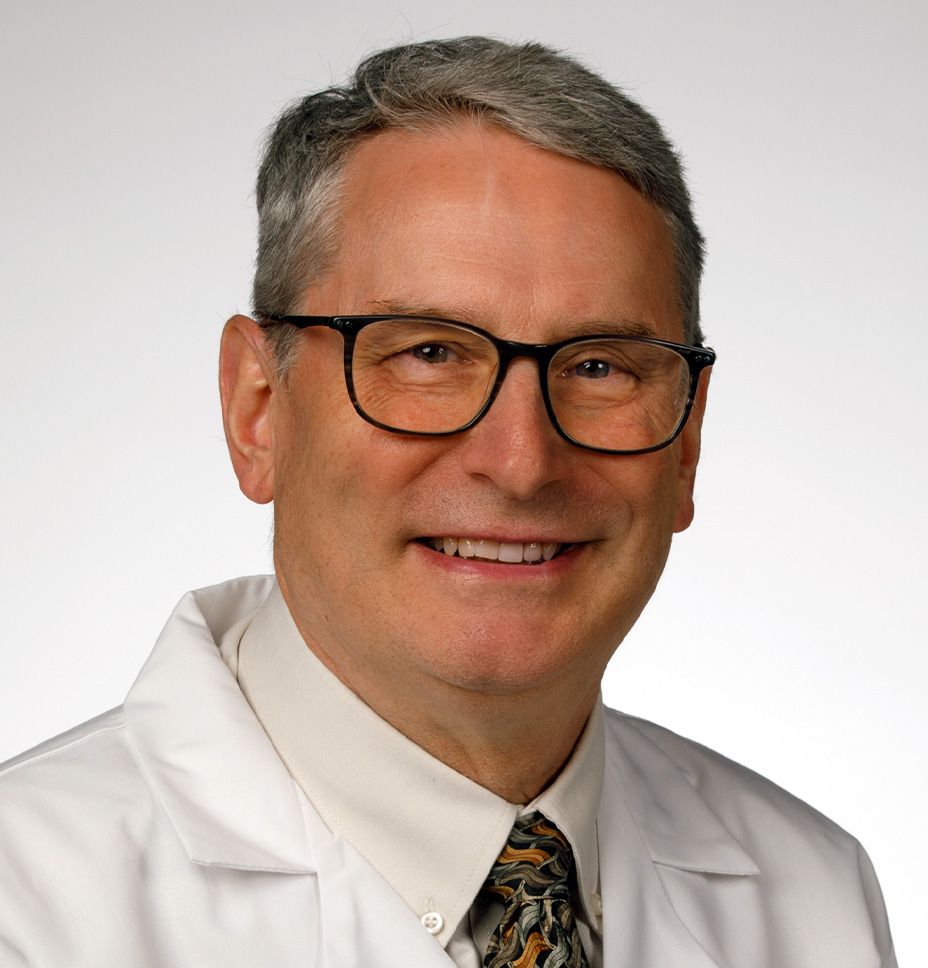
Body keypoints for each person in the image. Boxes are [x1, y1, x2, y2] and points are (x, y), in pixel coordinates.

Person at [0, 36, 895, 968]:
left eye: (599, 367)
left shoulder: (816, 894)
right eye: (427, 353)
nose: (520, 462)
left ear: (687, 442)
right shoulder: (27, 906)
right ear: (258, 409)